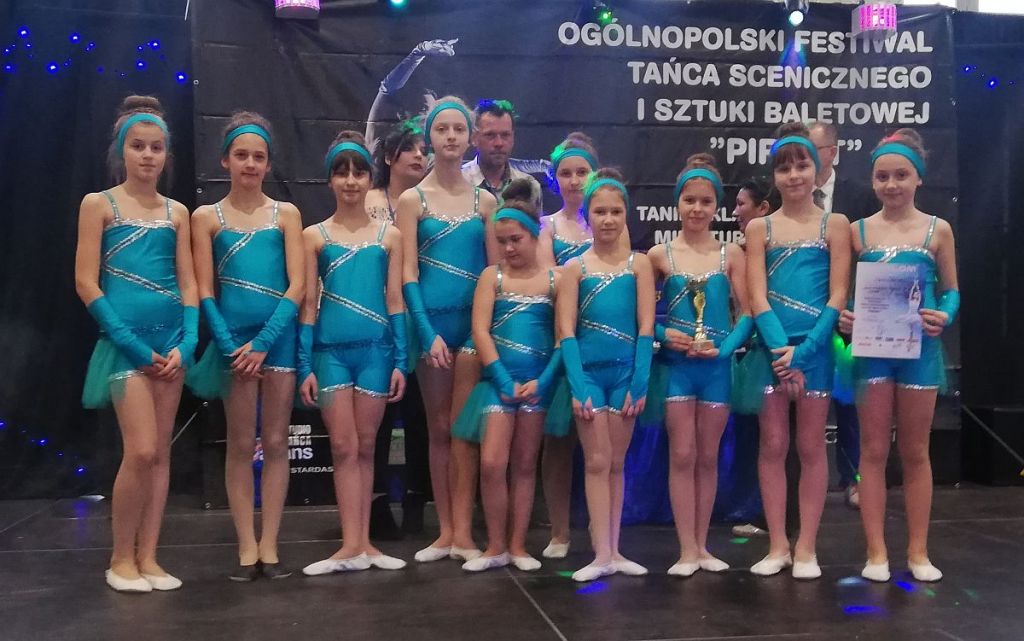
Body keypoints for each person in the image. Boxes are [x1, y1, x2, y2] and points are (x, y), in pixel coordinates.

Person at [76, 95, 198, 593]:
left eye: (156, 147)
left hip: (171, 348)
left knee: (161, 455)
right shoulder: (99, 205)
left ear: (167, 154)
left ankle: (149, 556)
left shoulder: (177, 212)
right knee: (142, 450)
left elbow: (189, 284)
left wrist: (189, 341)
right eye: (138, 146)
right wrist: (128, 343)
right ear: (121, 150)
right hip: (126, 348)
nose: (148, 155)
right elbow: (87, 282)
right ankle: (120, 558)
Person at [187, 112, 305, 580]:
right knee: (240, 443)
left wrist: (265, 342)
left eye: (258, 156)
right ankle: (245, 544)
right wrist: (230, 345)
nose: (250, 164)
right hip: (233, 346)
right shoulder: (206, 218)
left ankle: (270, 544)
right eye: (242, 155)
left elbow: (297, 285)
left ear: (268, 163)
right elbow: (204, 290)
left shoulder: (286, 214)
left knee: (275, 441)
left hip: (277, 340)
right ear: (225, 160)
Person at [839, 129, 959, 583]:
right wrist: (845, 318)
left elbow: (952, 291)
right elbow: (841, 293)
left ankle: (918, 552)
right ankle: (875, 552)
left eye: (901, 175)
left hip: (919, 350)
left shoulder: (937, 229)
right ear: (872, 180)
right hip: (872, 352)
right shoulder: (856, 231)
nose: (891, 185)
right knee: (872, 450)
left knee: (915, 451)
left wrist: (943, 315)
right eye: (882, 176)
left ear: (919, 178)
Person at [744, 122, 851, 579]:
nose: (793, 175)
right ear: (775, 175)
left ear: (817, 168)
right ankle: (777, 544)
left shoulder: (835, 224)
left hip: (816, 350)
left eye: (801, 165)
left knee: (810, 446)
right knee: (772, 445)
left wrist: (804, 353)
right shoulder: (760, 228)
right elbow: (757, 296)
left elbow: (837, 294)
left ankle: (806, 545)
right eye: (784, 168)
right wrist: (780, 352)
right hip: (772, 351)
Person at [298, 131, 408, 575]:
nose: (350, 181)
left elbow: (395, 299)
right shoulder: (314, 236)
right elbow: (308, 303)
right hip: (330, 354)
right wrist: (304, 363)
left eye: (358, 172)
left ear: (369, 178)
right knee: (343, 447)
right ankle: (349, 544)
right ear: (329, 180)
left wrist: (401, 359)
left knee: (365, 446)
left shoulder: (390, 236)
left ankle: (365, 544)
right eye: (341, 172)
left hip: (376, 353)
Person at [394, 96, 498, 563]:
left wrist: (485, 331)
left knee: (464, 430)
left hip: (473, 330)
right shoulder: (412, 200)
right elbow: (408, 273)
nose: (451, 136)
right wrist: (425, 331)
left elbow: (494, 275)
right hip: (431, 328)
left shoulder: (485, 202)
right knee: (438, 428)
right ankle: (446, 532)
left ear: (470, 137)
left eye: (458, 129)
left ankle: (466, 531)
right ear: (429, 137)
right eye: (442, 129)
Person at [646, 154, 752, 576]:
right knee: (683, 453)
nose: (696, 208)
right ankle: (686, 548)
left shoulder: (732, 254)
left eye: (705, 201)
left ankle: (703, 545)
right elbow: (641, 317)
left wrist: (725, 350)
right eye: (689, 200)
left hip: (715, 369)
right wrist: (663, 333)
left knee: (708, 456)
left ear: (716, 206)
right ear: (677, 203)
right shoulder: (659, 255)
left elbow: (747, 314)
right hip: (677, 368)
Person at [451, 179, 562, 572]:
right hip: (498, 385)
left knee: (525, 465)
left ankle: (517, 545)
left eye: (516, 239)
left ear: (534, 236)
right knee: (492, 463)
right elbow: (481, 331)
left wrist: (543, 381)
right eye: (502, 242)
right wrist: (500, 377)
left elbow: (564, 337)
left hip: (537, 386)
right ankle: (495, 545)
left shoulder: (556, 279)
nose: (509, 248)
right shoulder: (492, 277)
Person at [557, 168, 656, 582]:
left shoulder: (640, 265)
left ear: (626, 214)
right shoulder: (575, 267)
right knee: (596, 461)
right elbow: (566, 330)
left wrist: (640, 380)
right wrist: (578, 386)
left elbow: (646, 326)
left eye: (616, 211)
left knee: (616, 462)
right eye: (600, 211)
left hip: (625, 376)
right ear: (588, 215)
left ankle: (615, 550)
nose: (609, 219)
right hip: (590, 378)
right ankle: (600, 553)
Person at [365, 120, 431, 538]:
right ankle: (375, 503)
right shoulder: (368, 198)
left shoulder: (428, 202)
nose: (420, 156)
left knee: (420, 417)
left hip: (418, 316)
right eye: (411, 149)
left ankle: (416, 498)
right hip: (374, 318)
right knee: (380, 416)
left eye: (424, 150)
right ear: (390, 157)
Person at [535, 132, 600, 558]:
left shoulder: (608, 218)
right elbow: (548, 278)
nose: (574, 180)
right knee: (557, 440)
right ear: (555, 179)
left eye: (582, 172)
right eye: (566, 173)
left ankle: (601, 527)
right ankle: (559, 530)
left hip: (600, 338)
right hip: (557, 337)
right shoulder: (547, 226)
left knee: (600, 446)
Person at [808, 120, 879, 507]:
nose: (803, 158)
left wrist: (860, 309)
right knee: (803, 403)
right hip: (803, 317)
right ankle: (804, 481)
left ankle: (854, 478)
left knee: (851, 402)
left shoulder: (860, 196)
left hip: (851, 316)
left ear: (832, 152)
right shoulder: (790, 196)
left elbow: (872, 259)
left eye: (812, 149)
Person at [461, 99, 542, 201]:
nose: (499, 143)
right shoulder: (458, 182)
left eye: (505, 135)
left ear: (513, 137)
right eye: (490, 135)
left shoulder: (529, 187)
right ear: (474, 138)